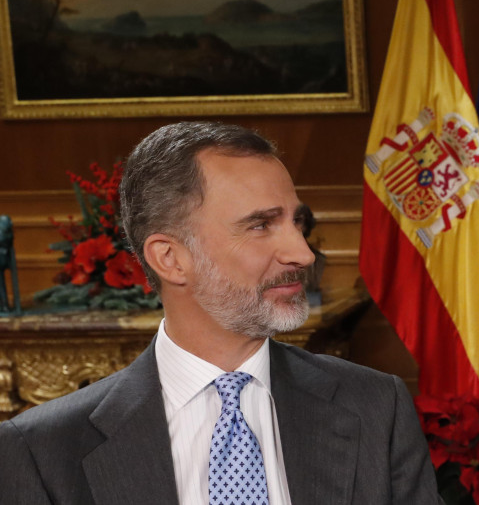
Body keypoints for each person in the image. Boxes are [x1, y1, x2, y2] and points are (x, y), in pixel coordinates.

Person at [0, 122, 441, 504]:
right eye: (260, 225)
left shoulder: (375, 407)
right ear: (170, 258)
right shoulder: (44, 450)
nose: (302, 253)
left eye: (297, 223)